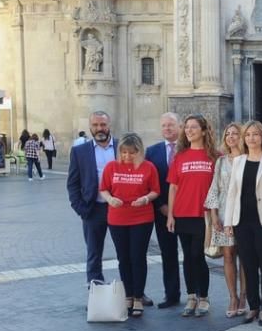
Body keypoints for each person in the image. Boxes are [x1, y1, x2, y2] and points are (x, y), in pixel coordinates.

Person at [223, 121, 262, 326]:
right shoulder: (238, 161)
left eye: (255, 134)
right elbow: (232, 193)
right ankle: (253, 306)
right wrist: (229, 221)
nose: (251, 138)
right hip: (242, 221)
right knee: (248, 266)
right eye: (248, 134)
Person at [98, 133, 159, 318]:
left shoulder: (148, 167)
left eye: (131, 153)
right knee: (123, 258)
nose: (127, 156)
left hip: (141, 218)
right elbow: (103, 188)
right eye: (123, 152)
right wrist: (110, 199)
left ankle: (139, 297)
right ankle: (128, 295)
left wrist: (146, 198)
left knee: (138, 257)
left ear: (139, 152)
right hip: (117, 219)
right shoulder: (111, 167)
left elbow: (156, 190)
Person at [167, 114, 218, 317]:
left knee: (198, 255)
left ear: (204, 131)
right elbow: (173, 187)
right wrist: (170, 215)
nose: (189, 130)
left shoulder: (215, 156)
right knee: (187, 257)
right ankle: (191, 296)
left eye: (194, 127)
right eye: (186, 127)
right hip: (182, 213)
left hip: (203, 215)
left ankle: (203, 297)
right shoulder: (180, 156)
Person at [67, 111, 117, 286]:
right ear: (90, 127)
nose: (99, 128)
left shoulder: (122, 147)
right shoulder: (79, 152)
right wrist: (81, 209)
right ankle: (96, 290)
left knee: (126, 252)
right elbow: (72, 183)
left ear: (109, 125)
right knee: (94, 253)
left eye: (103, 125)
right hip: (93, 209)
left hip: (119, 209)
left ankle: (133, 292)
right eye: (95, 125)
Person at [205, 123, 247, 317]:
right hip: (223, 213)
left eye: (235, 133)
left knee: (245, 256)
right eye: (228, 134)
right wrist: (213, 214)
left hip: (245, 213)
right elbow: (214, 188)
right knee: (228, 255)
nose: (231, 137)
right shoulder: (221, 161)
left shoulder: (249, 158)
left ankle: (245, 295)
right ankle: (232, 297)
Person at [145, 113, 183, 308]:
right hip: (162, 212)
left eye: (171, 125)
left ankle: (197, 295)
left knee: (193, 255)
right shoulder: (151, 152)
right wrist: (161, 205)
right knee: (168, 254)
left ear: (179, 126)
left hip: (186, 212)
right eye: (164, 126)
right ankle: (172, 294)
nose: (167, 128)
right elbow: (148, 181)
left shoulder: (188, 149)